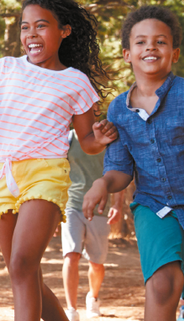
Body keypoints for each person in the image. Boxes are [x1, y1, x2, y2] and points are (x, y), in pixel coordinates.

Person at [0, 0, 118, 321]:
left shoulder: (76, 82)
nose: (31, 35)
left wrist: (99, 138)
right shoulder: (2, 69)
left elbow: (86, 142)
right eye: (25, 28)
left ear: (64, 30)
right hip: (1, 174)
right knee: (22, 273)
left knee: (23, 264)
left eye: (41, 26)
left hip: (45, 174)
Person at [83, 5, 184, 321]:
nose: (150, 48)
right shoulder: (118, 110)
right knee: (162, 286)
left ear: (175, 53)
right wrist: (102, 182)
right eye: (141, 42)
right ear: (127, 54)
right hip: (153, 204)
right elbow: (120, 170)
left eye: (160, 42)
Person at [61, 129, 126, 321]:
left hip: (99, 206)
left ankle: (93, 297)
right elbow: (59, 172)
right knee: (71, 255)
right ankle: (71, 309)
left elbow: (118, 172)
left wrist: (117, 205)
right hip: (71, 204)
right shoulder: (69, 138)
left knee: (96, 263)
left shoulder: (108, 139)